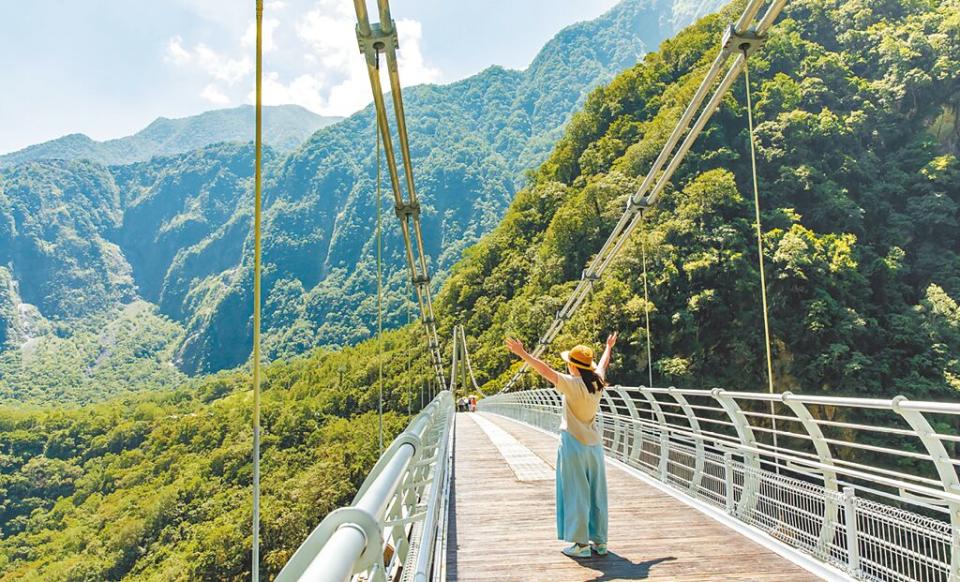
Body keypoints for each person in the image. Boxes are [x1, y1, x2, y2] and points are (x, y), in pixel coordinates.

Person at [505, 332, 618, 558]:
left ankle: (581, 545)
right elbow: (604, 363)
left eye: (568, 364)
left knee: (576, 493)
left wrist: (522, 353)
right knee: (597, 493)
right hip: (594, 447)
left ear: (574, 368)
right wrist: (608, 347)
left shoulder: (571, 384)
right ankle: (600, 542)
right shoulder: (597, 381)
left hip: (573, 445)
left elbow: (545, 370)